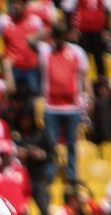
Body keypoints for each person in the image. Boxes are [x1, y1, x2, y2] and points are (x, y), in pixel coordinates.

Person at [38, 26, 89, 182]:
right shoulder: (46, 50)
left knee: (71, 144)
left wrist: (89, 97)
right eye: (55, 36)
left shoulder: (77, 52)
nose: (58, 39)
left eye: (60, 36)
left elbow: (85, 76)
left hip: (72, 107)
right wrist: (46, 32)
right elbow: (29, 40)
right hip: (51, 107)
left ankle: (72, 175)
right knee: (51, 144)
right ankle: (50, 174)